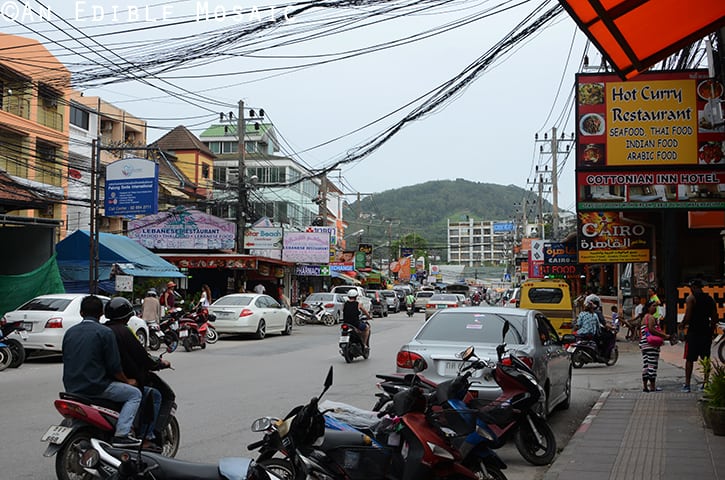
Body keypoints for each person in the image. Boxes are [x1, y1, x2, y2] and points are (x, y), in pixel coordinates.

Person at [62, 295, 142, 447]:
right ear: (101, 313)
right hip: (96, 387)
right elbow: (115, 367)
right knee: (134, 394)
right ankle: (122, 434)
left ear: (81, 312)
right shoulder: (104, 333)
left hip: (71, 387)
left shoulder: (70, 332)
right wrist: (128, 381)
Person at [104, 297, 171, 451]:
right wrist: (159, 364)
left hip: (103, 379)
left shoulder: (104, 330)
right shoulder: (124, 332)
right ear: (127, 316)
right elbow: (141, 356)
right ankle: (145, 437)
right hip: (118, 379)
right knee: (153, 395)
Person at [680, 279, 719, 392]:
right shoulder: (710, 299)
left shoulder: (691, 298)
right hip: (705, 332)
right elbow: (714, 317)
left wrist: (682, 325)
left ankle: (687, 385)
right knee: (705, 359)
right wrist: (711, 331)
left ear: (693, 287)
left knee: (689, 359)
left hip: (693, 332)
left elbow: (688, 316)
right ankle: (705, 383)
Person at [639, 300, 671, 392]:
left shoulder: (644, 317)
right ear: (648, 307)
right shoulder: (651, 317)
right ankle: (652, 386)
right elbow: (652, 329)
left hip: (644, 343)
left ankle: (645, 386)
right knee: (652, 364)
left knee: (646, 364)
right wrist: (664, 335)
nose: (655, 308)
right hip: (651, 344)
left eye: (656, 306)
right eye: (653, 306)